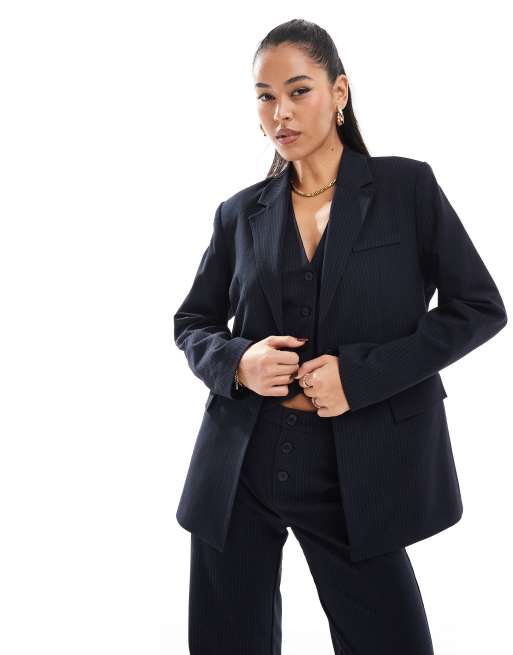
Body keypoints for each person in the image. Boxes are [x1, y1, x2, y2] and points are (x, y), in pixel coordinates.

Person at [173, 19, 508, 654]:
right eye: (265, 97)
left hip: (357, 466)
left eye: (298, 91)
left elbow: (479, 307)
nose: (280, 112)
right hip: (240, 463)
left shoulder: (406, 189)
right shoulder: (240, 212)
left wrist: (360, 376)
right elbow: (192, 322)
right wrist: (238, 362)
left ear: (340, 91)